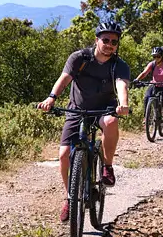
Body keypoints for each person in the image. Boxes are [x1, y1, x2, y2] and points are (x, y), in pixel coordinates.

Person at [37, 20, 131, 222]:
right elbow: (64, 78)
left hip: (104, 108)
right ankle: (70, 198)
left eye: (114, 41)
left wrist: (123, 104)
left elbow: (122, 84)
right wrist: (51, 98)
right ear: (96, 40)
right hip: (77, 109)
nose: (109, 44)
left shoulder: (119, 65)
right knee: (63, 155)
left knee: (111, 123)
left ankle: (107, 167)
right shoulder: (80, 58)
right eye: (105, 40)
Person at [135, 46, 163, 126]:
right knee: (147, 97)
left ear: (162, 56)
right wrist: (137, 79)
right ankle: (146, 117)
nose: (156, 58)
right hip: (154, 84)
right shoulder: (152, 64)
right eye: (154, 56)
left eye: (158, 56)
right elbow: (144, 73)